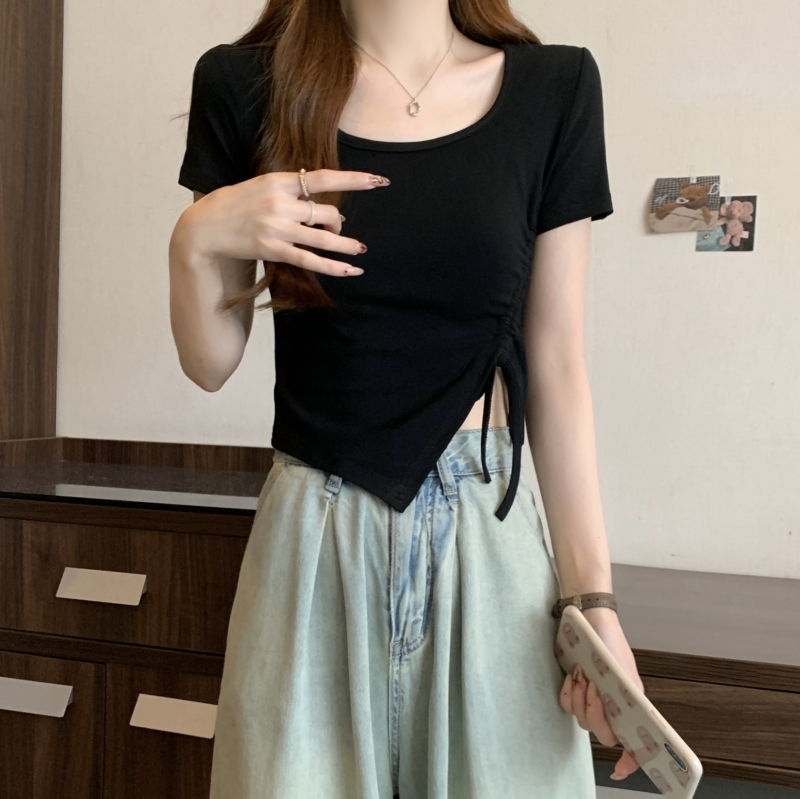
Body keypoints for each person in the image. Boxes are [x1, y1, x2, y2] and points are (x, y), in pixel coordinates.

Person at [169, 0, 645, 796]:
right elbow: (209, 362)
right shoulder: (245, 85)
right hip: (312, 542)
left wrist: (594, 602)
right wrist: (195, 237)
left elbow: (558, 363)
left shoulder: (554, 89)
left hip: (490, 549)